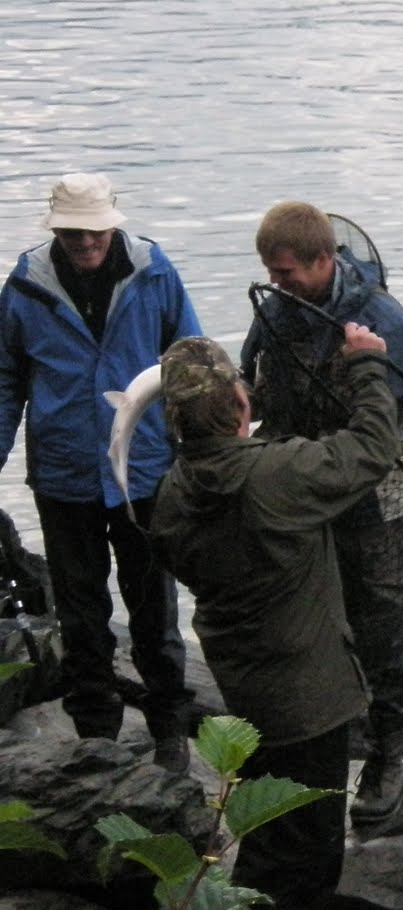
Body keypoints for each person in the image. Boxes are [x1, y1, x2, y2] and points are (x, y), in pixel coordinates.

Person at [148, 327, 399, 910]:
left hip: (246, 682)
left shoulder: (173, 493)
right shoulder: (276, 476)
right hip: (306, 691)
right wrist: (367, 366)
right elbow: (373, 447)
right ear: (239, 404)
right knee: (293, 841)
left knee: (283, 820)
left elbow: (173, 550)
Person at [240, 201, 403, 826]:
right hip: (303, 495)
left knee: (386, 634)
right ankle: (315, 759)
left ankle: (388, 761)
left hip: (378, 505)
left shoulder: (385, 320)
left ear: (322, 260)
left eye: (286, 273)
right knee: (306, 632)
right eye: (271, 273)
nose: (277, 284)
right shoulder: (275, 314)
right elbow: (254, 387)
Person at [0, 173, 198, 770]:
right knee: (81, 615)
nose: (85, 241)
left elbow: (191, 361)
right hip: (64, 476)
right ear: (55, 229)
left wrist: (205, 451)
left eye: (94, 231)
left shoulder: (154, 274)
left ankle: (170, 731)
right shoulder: (26, 286)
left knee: (154, 609)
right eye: (72, 232)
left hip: (145, 473)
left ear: (112, 224)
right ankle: (96, 735)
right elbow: (6, 379)